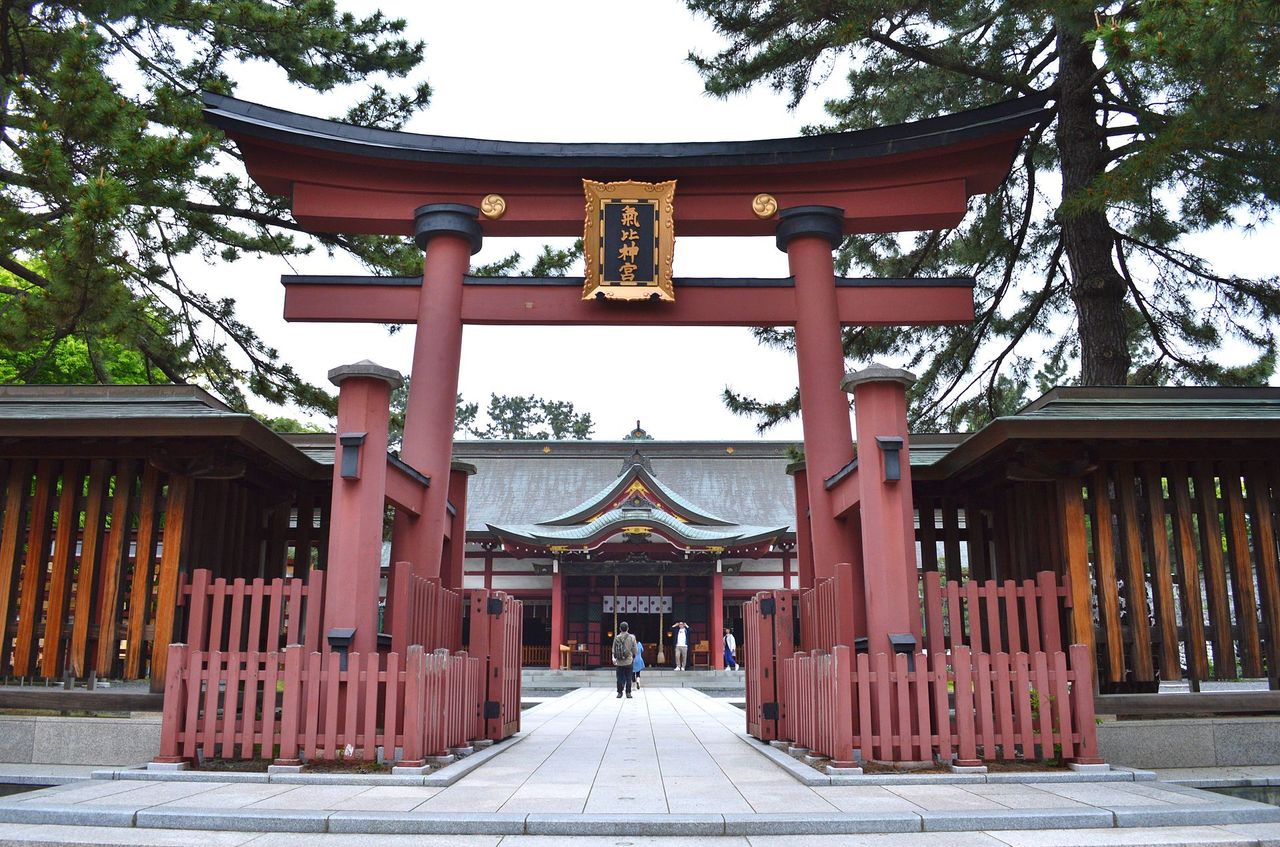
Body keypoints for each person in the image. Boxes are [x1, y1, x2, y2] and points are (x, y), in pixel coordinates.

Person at [611, 621, 637, 698]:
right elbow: (635, 650)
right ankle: (628, 693)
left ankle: (619, 692)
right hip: (628, 661)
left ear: (620, 629)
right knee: (629, 677)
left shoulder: (617, 637)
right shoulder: (632, 637)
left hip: (619, 662)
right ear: (628, 628)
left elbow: (613, 649)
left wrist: (613, 658)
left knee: (619, 678)